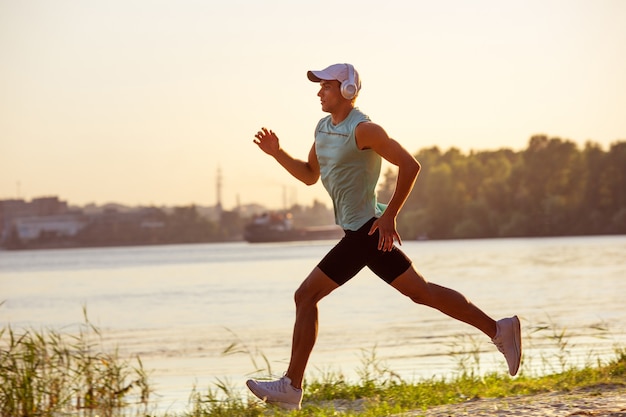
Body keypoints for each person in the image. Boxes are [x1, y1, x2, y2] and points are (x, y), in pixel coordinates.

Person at [246, 63, 522, 410]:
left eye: (326, 87)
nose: (319, 92)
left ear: (347, 90)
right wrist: (277, 153)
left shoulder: (365, 130)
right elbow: (308, 175)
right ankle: (499, 329)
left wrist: (390, 215)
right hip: (363, 230)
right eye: (319, 87)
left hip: (367, 229)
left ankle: (291, 386)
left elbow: (410, 165)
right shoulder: (322, 129)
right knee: (420, 292)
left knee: (305, 296)